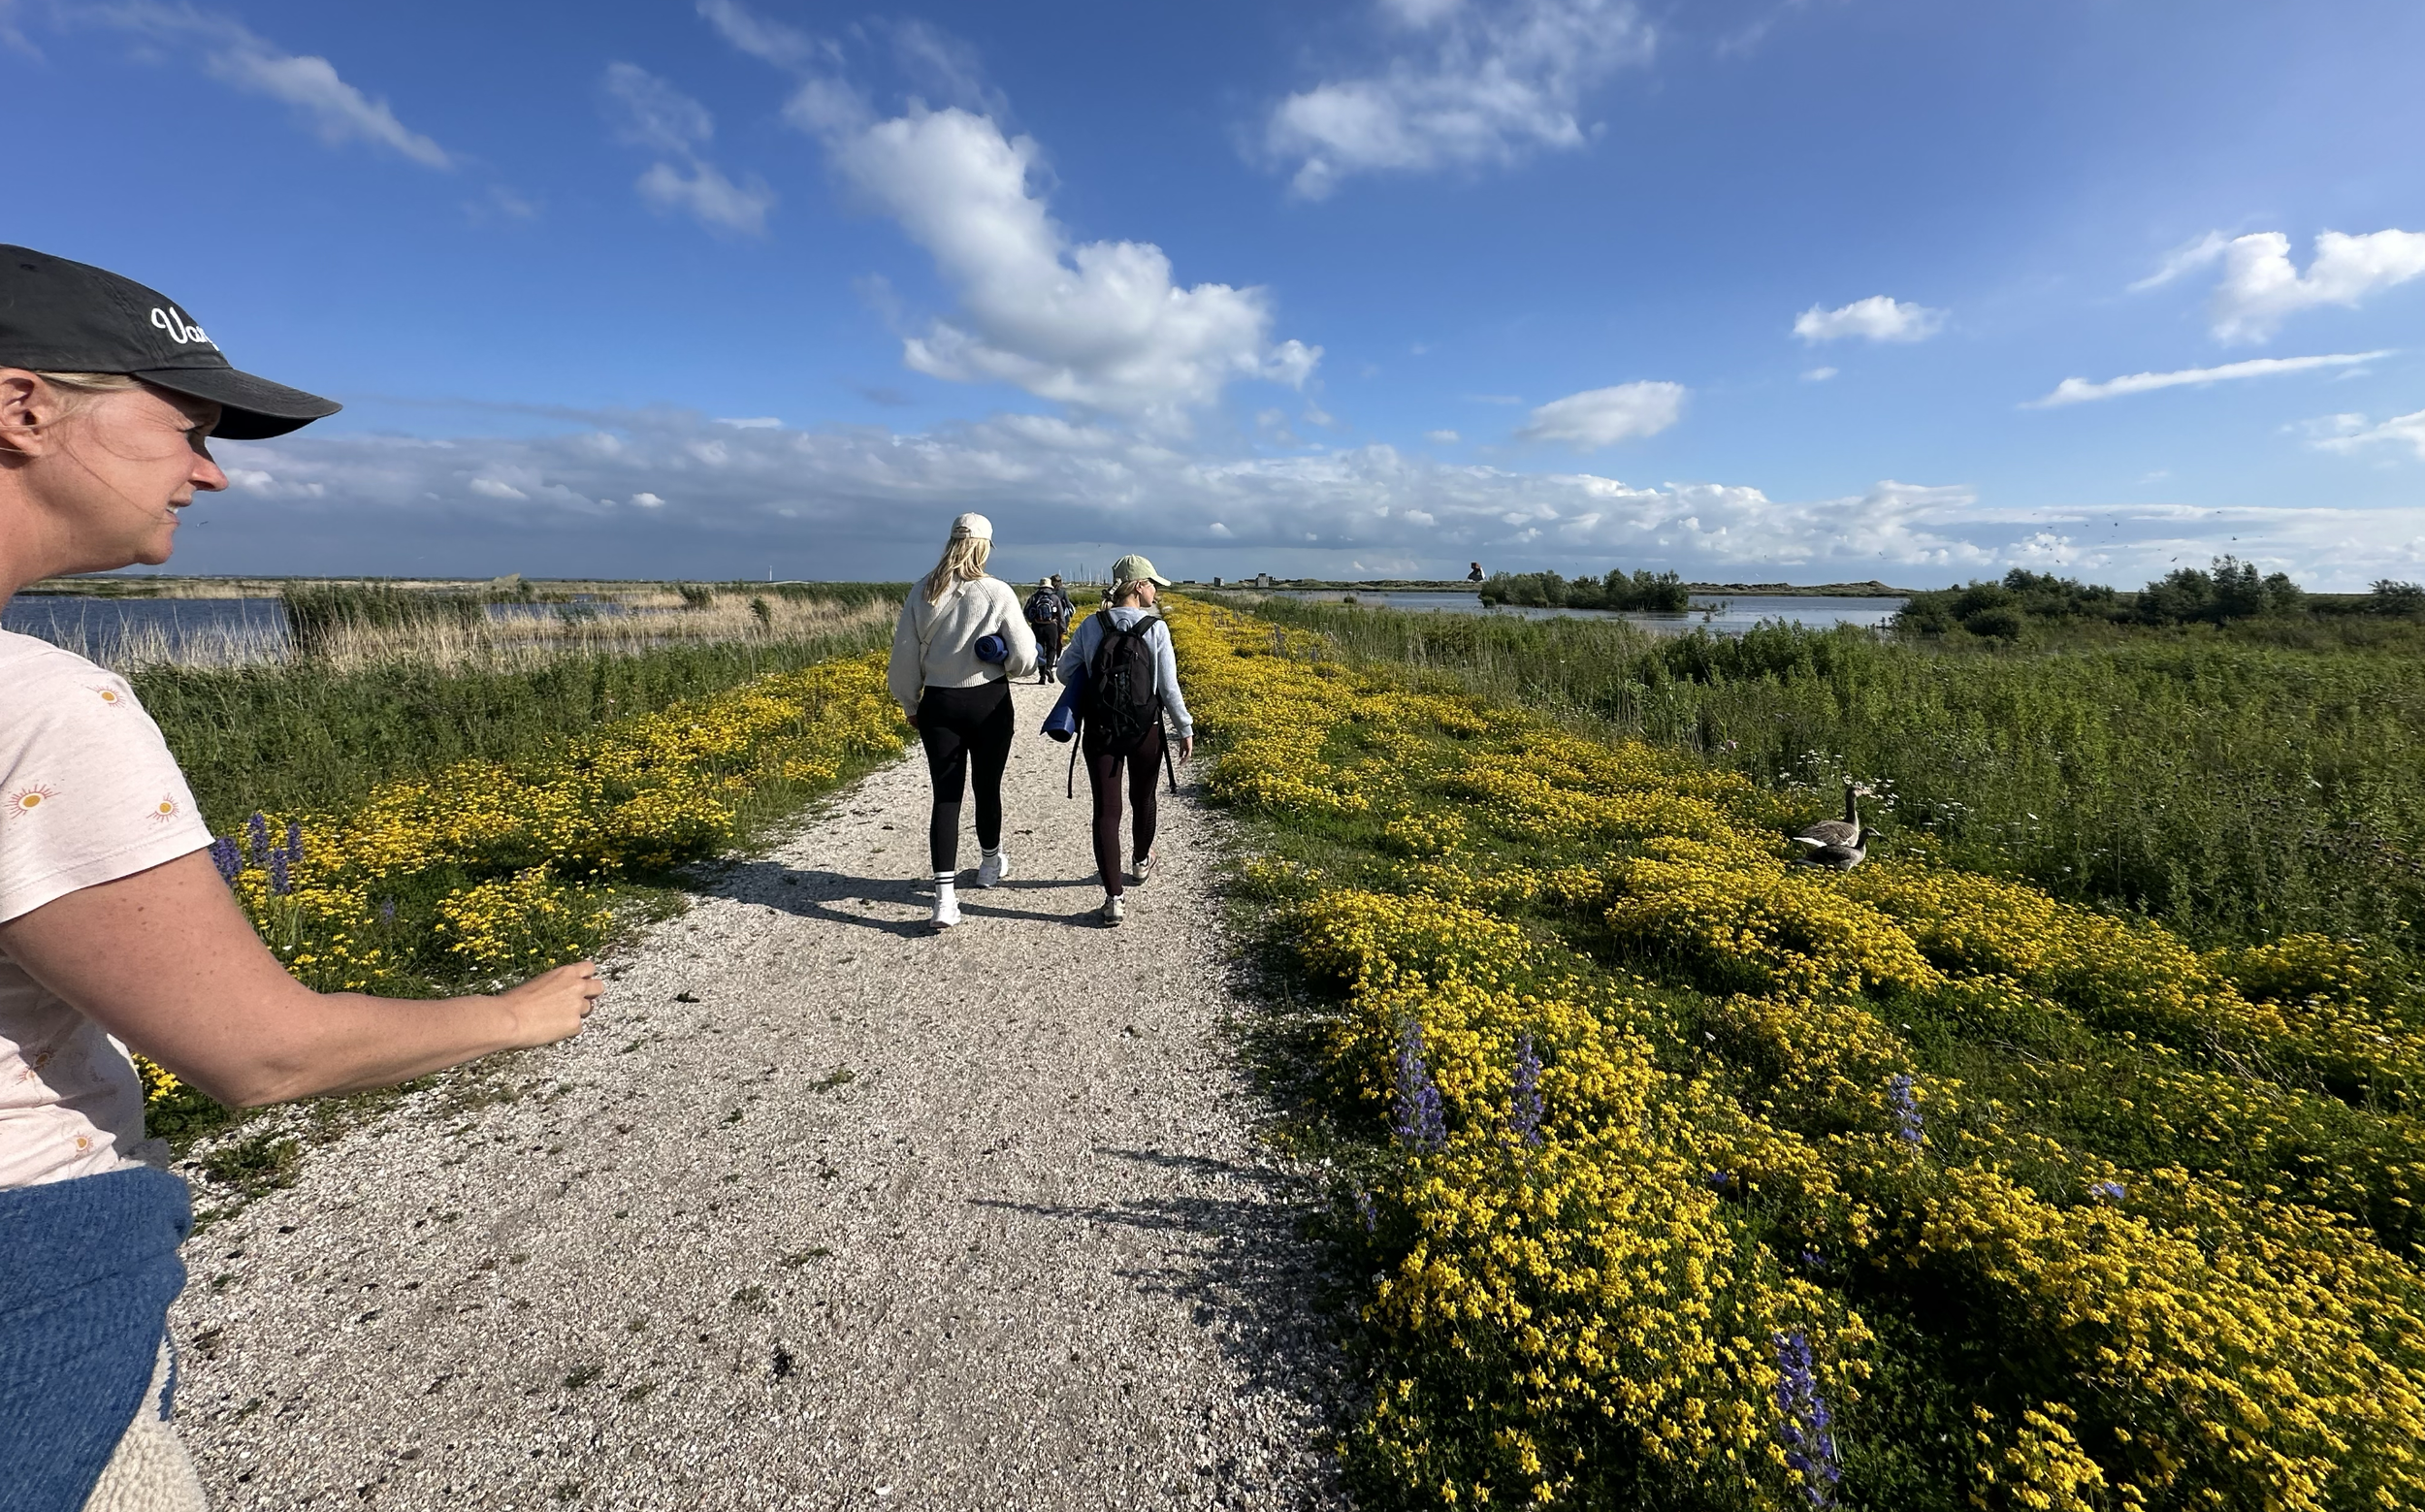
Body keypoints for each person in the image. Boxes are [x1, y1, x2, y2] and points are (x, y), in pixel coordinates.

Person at [0, 246, 603, 1512]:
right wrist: (519, 1011)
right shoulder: (48, 710)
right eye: (187, 424)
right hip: (34, 1310)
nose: (211, 468)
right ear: (24, 407)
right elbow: (261, 1054)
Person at [888, 513, 1038, 930]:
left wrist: (909, 703)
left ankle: (944, 900)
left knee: (946, 797)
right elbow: (1026, 659)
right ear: (984, 546)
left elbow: (902, 660)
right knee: (986, 787)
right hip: (988, 700)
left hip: (938, 702)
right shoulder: (996, 592)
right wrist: (1000, 657)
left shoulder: (922, 591)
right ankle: (990, 864)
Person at [1058, 554, 1194, 927]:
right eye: (1152, 584)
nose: (1155, 591)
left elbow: (1064, 671)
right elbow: (1168, 687)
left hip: (1100, 730)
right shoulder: (1156, 629)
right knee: (1144, 798)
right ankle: (1139, 862)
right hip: (1144, 730)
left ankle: (1113, 899)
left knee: (1106, 811)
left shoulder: (1091, 625)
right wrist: (1185, 728)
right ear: (1137, 586)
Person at [1022, 575, 1070, 685]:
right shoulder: (1054, 598)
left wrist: (1032, 621)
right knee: (1051, 648)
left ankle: (1042, 676)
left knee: (1040, 651)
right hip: (1051, 626)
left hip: (1037, 627)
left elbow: (1026, 611)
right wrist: (1062, 628)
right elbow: (1061, 615)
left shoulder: (1034, 597)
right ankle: (1049, 668)